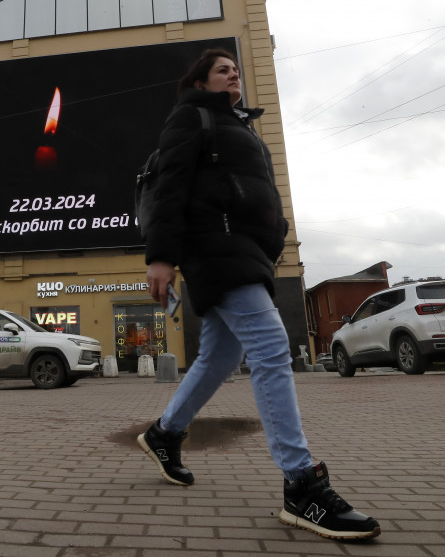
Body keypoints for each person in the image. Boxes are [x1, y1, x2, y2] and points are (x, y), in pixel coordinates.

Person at [137, 49, 380, 541]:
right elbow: (170, 188)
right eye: (222, 69)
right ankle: (301, 485)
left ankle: (164, 434)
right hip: (213, 247)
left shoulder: (244, 129)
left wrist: (276, 235)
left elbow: (260, 191)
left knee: (219, 358)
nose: (234, 75)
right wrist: (160, 255)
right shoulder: (193, 116)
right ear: (202, 82)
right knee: (271, 347)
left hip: (247, 249)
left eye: (236, 70)